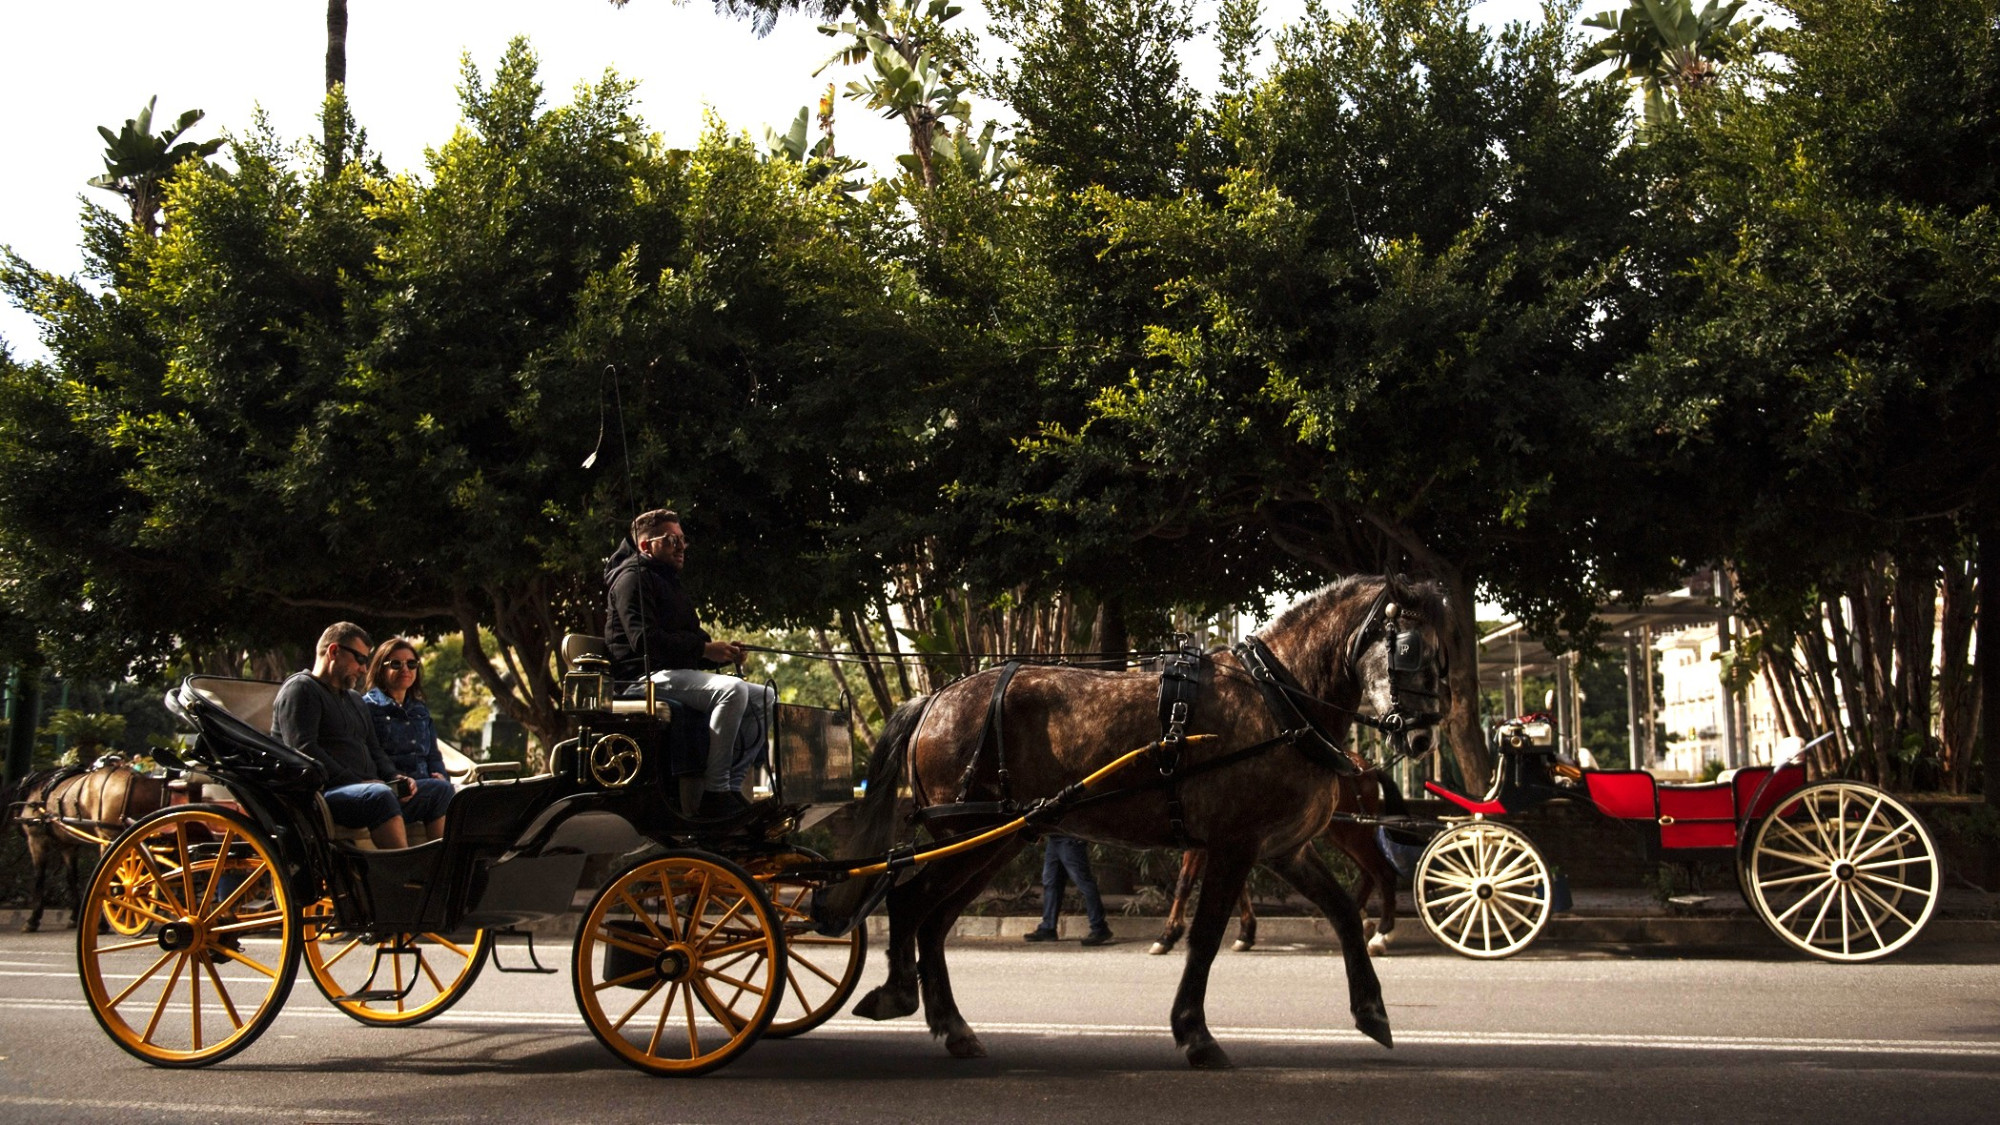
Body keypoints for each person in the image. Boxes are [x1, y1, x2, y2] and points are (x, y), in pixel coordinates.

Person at [604, 509, 775, 819]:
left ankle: (733, 788)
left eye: (683, 540)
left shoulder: (668, 581)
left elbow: (693, 639)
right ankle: (716, 792)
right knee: (732, 690)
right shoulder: (632, 579)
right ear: (646, 546)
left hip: (671, 674)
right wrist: (703, 649)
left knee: (765, 697)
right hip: (640, 679)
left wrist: (720, 652)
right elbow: (645, 642)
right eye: (672, 541)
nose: (681, 547)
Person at [272, 622, 450, 849]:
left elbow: (374, 749)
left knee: (440, 791)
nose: (364, 669)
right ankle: (402, 876)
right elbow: (304, 751)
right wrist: (359, 782)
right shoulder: (302, 689)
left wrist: (395, 777)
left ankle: (444, 875)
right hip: (325, 795)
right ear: (334, 652)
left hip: (369, 789)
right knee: (380, 795)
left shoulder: (355, 699)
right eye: (360, 659)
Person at [360, 636, 451, 842]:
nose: (405, 669)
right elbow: (371, 754)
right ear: (380, 669)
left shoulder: (420, 709)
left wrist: (441, 774)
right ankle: (442, 863)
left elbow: (433, 754)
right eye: (396, 664)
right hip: (392, 789)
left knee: (459, 793)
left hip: (424, 784)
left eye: (411, 664)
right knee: (442, 792)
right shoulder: (367, 707)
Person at [1023, 834, 1114, 946]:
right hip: (1054, 838)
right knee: (1051, 883)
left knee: (1084, 882)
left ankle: (1100, 928)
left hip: (1070, 838)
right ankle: (1048, 928)